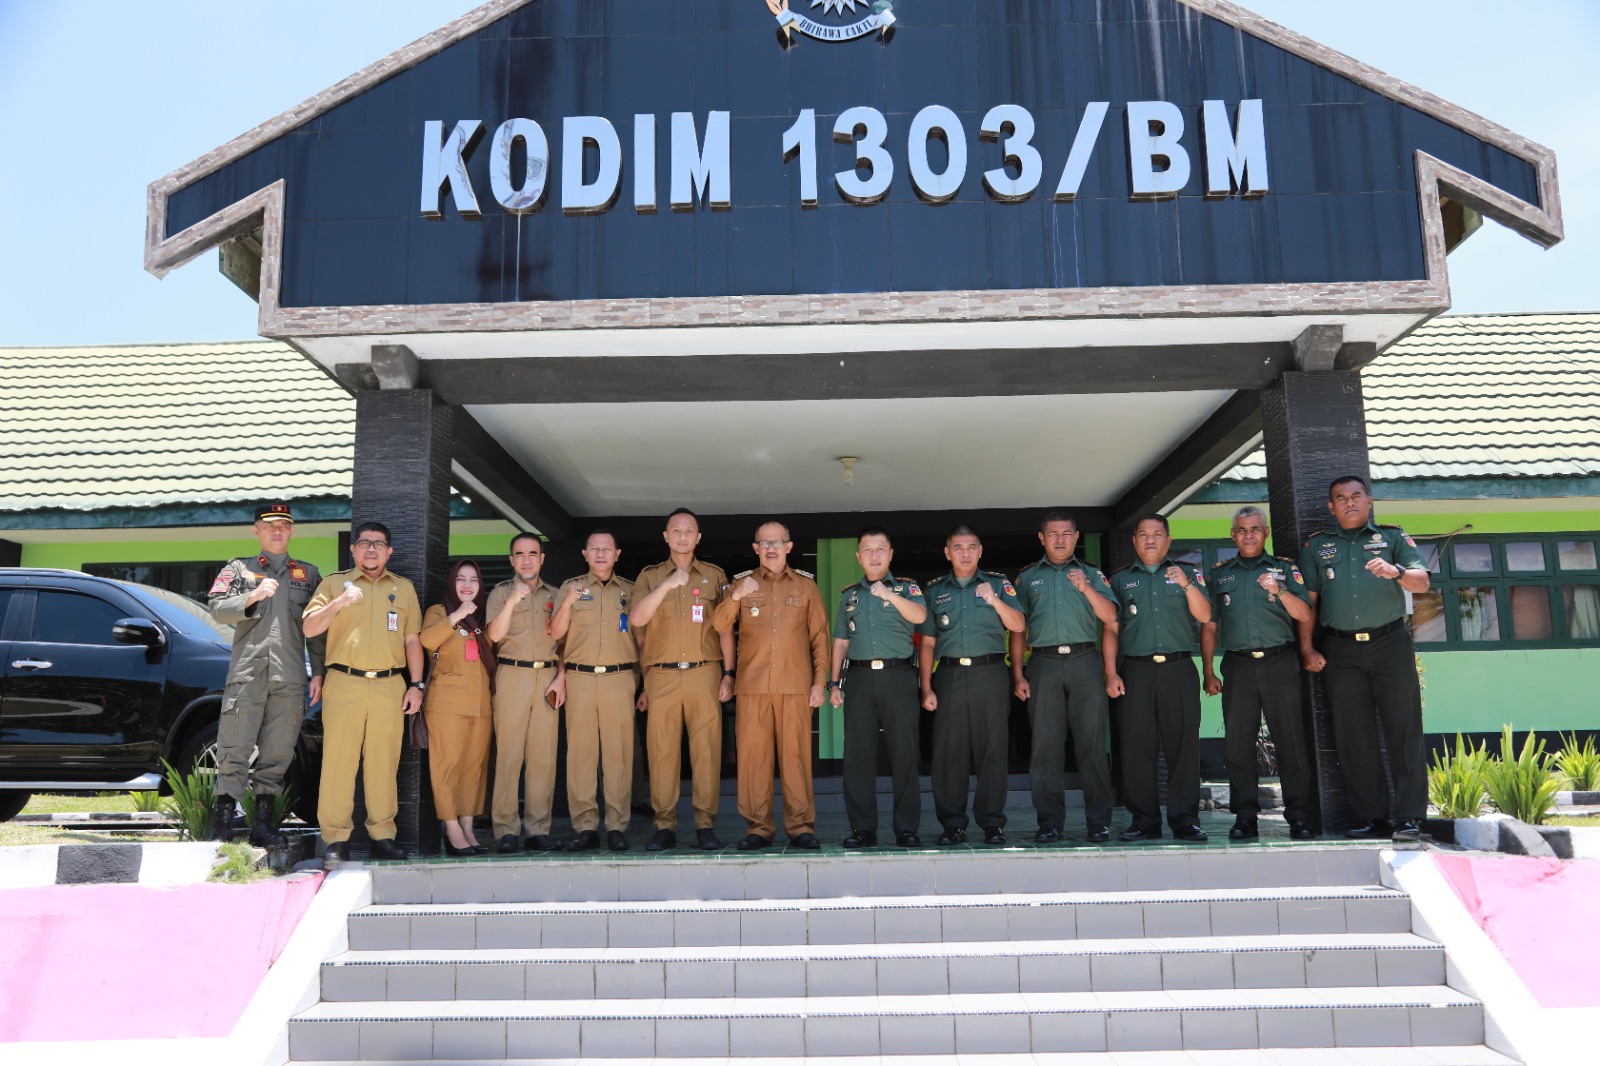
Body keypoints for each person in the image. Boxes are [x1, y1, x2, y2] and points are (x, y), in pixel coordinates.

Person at [1298, 475, 1431, 843]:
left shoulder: (1391, 538)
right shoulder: (1317, 547)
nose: (1349, 502)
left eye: (1356, 496)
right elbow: (1309, 603)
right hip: (1339, 649)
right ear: (1332, 507)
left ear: (1369, 501)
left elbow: (1422, 582)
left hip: (1390, 644)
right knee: (1354, 736)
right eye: (1341, 498)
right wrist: (1307, 648)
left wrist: (1396, 571)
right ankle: (1373, 818)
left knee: (1403, 731)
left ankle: (1409, 818)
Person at [302, 521, 422, 866]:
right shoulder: (334, 583)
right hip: (345, 682)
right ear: (353, 550)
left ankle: (383, 835)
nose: (371, 549)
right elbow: (310, 628)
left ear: (389, 552)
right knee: (339, 763)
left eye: (379, 544)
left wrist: (417, 685)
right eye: (365, 543)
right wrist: (339, 602)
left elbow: (412, 640)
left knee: (383, 764)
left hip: (389, 685)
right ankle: (336, 840)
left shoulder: (404, 589)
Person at [205, 502, 325, 846]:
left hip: (289, 678)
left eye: (284, 525)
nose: (278, 531)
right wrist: (253, 595)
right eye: (270, 525)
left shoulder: (308, 574)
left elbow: (316, 630)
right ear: (256, 531)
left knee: (278, 753)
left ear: (292, 531)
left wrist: (318, 672)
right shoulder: (238, 569)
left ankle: (262, 825)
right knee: (234, 748)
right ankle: (223, 826)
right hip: (248, 675)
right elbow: (217, 609)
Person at [1200, 506, 1316, 840]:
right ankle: (1246, 817)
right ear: (1233, 535)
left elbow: (1305, 613)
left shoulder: (1284, 569)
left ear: (1264, 532)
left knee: (1290, 741)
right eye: (1241, 530)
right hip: (1237, 665)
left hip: (1280, 662)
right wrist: (1208, 671)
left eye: (1254, 529)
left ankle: (1298, 815)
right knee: (1238, 745)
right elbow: (1209, 626)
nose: (1248, 535)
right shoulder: (1220, 575)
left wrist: (1279, 591)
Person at [713, 520, 830, 851]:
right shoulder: (741, 583)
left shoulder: (806, 587)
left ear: (789, 547)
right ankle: (758, 828)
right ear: (756, 548)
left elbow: (819, 638)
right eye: (764, 543)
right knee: (753, 760)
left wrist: (819, 681)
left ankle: (800, 827)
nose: (771, 548)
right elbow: (719, 624)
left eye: (777, 542)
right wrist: (736, 595)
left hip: (795, 686)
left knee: (796, 758)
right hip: (752, 687)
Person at [1009, 510, 1120, 844]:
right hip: (1042, 664)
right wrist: (1018, 674)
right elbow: (1017, 629)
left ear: (1076, 537)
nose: (1059, 539)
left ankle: (1099, 822)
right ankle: (1049, 822)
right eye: (1052, 534)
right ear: (1042, 539)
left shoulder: (1091, 574)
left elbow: (1111, 617)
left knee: (1091, 747)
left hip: (1085, 661)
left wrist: (1086, 589)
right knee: (1045, 749)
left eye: (1066, 533)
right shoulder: (1027, 579)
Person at [630, 508, 735, 851]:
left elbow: (725, 629)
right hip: (661, 675)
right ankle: (665, 825)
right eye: (676, 530)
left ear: (698, 537)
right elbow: (638, 623)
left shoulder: (715, 576)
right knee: (662, 752)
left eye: (689, 530)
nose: (682, 536)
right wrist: (667, 585)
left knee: (707, 751)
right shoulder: (650, 576)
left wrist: (728, 674)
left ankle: (705, 824)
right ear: (666, 536)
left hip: (705, 672)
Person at [1104, 514, 1211, 843]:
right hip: (1135, 670)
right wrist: (1110, 672)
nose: (1150, 540)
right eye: (1143, 535)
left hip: (1178, 669)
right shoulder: (1120, 580)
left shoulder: (1188, 574)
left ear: (1168, 540)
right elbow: (1111, 628)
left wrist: (1186, 584)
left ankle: (1185, 820)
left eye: (1157, 534)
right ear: (1134, 541)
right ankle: (1144, 821)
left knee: (1183, 746)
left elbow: (1206, 616)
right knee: (1138, 748)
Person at [918, 525, 1025, 846]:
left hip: (990, 673)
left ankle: (992, 823)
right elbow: (926, 644)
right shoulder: (935, 591)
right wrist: (926, 687)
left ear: (980, 550)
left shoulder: (998, 584)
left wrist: (994, 600)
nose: (965, 552)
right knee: (950, 753)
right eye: (958, 547)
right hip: (949, 677)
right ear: (948, 553)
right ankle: (953, 824)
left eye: (971, 547)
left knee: (992, 749)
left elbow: (1018, 625)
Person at [829, 528, 928, 848]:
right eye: (867, 550)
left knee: (905, 754)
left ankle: (907, 828)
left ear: (890, 554)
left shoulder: (907, 588)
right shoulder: (848, 596)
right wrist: (834, 683)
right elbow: (841, 642)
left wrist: (890, 595)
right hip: (858, 679)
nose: (874, 555)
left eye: (880, 549)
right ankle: (863, 829)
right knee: (858, 757)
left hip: (898, 677)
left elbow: (920, 615)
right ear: (858, 556)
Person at [551, 530, 639, 852]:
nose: (600, 554)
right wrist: (570, 602)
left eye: (607, 549)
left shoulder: (630, 591)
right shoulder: (570, 588)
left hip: (619, 678)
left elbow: (642, 640)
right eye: (594, 549)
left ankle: (616, 826)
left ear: (617, 554)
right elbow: (556, 633)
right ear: (585, 554)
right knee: (581, 757)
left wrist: (638, 680)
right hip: (580, 679)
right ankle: (586, 827)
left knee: (618, 756)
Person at [485, 533, 565, 853]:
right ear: (511, 560)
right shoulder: (500, 592)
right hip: (512, 674)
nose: (527, 559)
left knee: (543, 757)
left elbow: (566, 643)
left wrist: (562, 676)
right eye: (520, 554)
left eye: (533, 553)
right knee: (508, 755)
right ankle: (506, 829)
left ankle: (538, 830)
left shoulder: (557, 595)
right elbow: (493, 634)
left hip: (547, 675)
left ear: (542, 558)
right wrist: (512, 601)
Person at [420, 560, 496, 857]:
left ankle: (467, 827)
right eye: (461, 579)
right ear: (452, 584)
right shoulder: (438, 612)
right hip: (446, 704)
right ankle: (451, 828)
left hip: (481, 704)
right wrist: (457, 616)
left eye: (473, 580)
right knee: (447, 766)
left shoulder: (485, 615)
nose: (467, 585)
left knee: (474, 768)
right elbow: (427, 640)